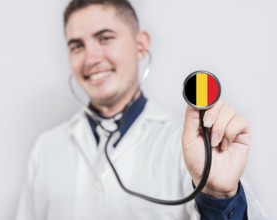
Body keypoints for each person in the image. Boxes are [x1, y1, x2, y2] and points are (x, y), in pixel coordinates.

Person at [16, 0, 267, 219]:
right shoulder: (46, 148)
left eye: (105, 38)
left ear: (140, 45)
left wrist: (218, 196)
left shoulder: (199, 145)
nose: (91, 58)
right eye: (76, 46)